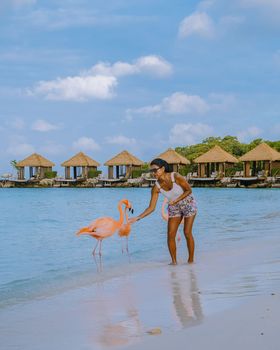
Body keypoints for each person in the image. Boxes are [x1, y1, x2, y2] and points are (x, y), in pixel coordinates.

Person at [129, 158, 197, 265]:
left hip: (188, 203)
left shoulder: (175, 176)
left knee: (187, 232)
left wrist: (176, 200)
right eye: (151, 171)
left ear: (163, 168)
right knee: (170, 235)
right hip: (174, 207)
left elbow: (189, 190)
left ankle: (191, 261)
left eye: (155, 170)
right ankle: (174, 262)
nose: (153, 173)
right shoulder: (156, 188)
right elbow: (151, 208)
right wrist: (137, 218)